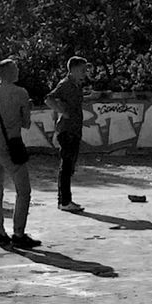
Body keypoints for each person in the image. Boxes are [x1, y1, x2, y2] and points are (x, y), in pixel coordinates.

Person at [0, 57, 40, 249]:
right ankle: (18, 232)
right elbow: (25, 123)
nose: (18, 71)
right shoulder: (20, 93)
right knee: (23, 190)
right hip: (10, 146)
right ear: (9, 73)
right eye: (15, 69)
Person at [45, 56, 90, 213]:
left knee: (69, 166)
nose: (85, 73)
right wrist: (62, 112)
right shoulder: (66, 84)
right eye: (82, 69)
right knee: (66, 166)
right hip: (67, 130)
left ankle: (65, 199)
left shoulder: (76, 86)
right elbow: (49, 99)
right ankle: (64, 201)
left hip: (74, 130)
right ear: (73, 69)